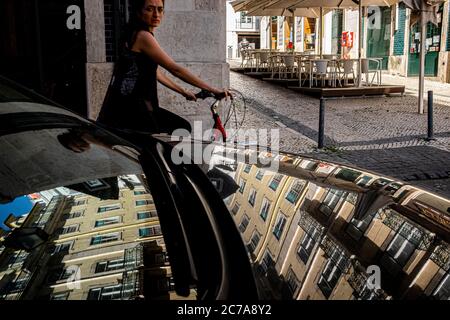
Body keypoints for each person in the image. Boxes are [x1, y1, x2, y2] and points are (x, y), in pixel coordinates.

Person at [98, 0, 232, 134]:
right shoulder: (143, 36)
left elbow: (155, 72)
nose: (156, 14)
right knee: (180, 130)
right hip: (134, 107)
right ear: (139, 12)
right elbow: (175, 69)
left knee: (176, 130)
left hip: (128, 104)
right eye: (150, 9)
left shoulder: (133, 33)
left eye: (160, 10)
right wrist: (212, 89)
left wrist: (182, 91)